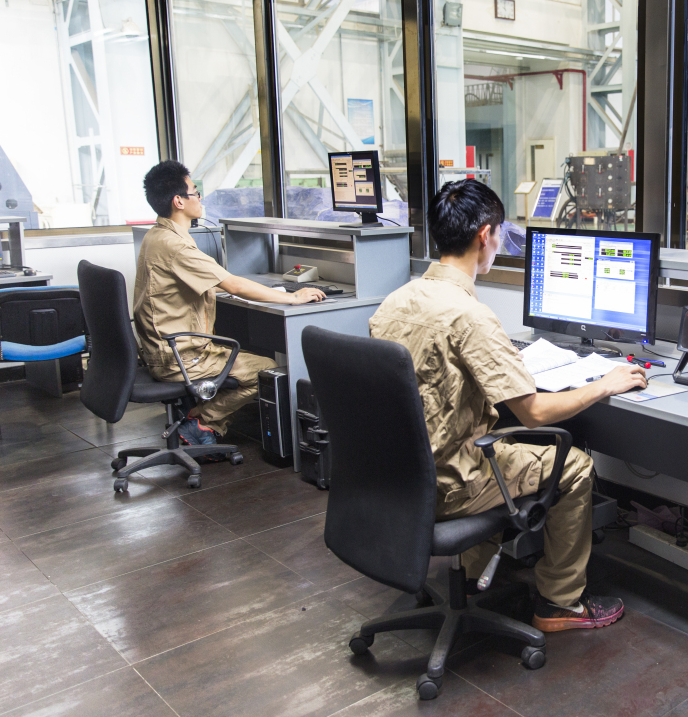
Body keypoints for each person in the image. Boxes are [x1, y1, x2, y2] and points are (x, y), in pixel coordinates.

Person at [369, 179, 648, 632]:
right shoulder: (470, 316)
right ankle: (560, 603)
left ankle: (474, 573)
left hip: (396, 475)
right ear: (486, 235)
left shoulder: (396, 301)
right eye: (500, 234)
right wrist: (604, 385)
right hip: (449, 483)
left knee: (495, 441)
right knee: (575, 466)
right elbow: (534, 413)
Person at [134, 160, 327, 449]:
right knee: (266, 368)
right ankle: (202, 421)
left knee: (245, 351)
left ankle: (198, 416)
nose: (200, 198)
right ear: (179, 201)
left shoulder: (156, 236)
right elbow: (234, 286)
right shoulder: (175, 246)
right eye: (195, 192)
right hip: (179, 358)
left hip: (161, 350)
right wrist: (292, 297)